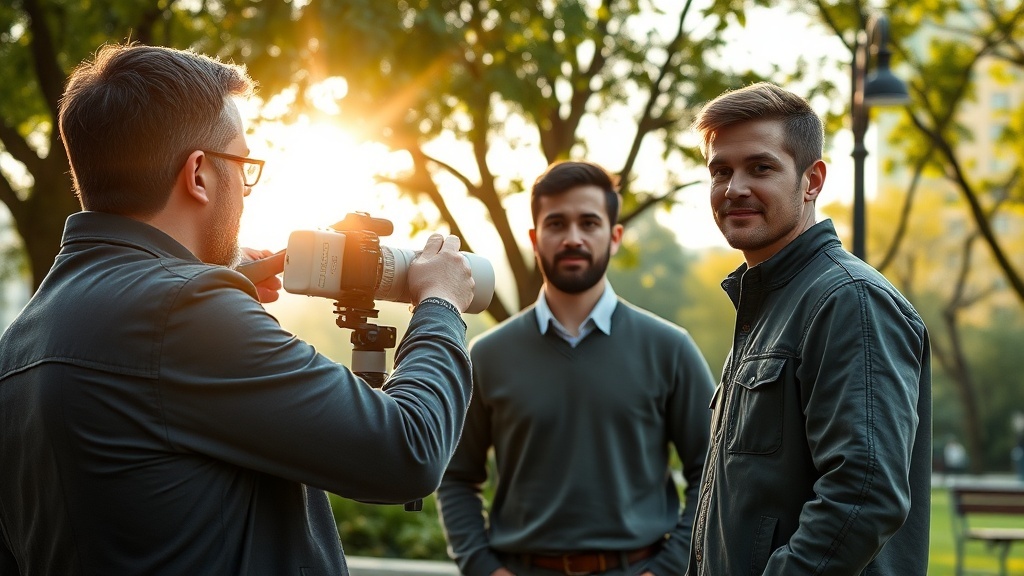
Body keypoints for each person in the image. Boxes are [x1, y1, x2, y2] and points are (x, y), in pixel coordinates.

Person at [0, 43, 476, 576]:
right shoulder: (186, 312)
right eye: (244, 165)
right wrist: (439, 303)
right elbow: (407, 450)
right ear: (199, 173)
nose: (247, 190)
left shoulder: (22, 339)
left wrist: (210, 281)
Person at [686, 82, 932, 575]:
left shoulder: (848, 302)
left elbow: (863, 496)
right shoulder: (766, 305)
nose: (735, 188)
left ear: (812, 180)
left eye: (760, 167)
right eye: (721, 171)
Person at [437, 160, 716, 576]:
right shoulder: (486, 355)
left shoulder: (670, 349)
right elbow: (456, 477)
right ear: (535, 238)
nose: (573, 238)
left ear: (614, 236)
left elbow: (711, 473)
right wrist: (482, 568)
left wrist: (671, 569)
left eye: (589, 223)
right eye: (556, 224)